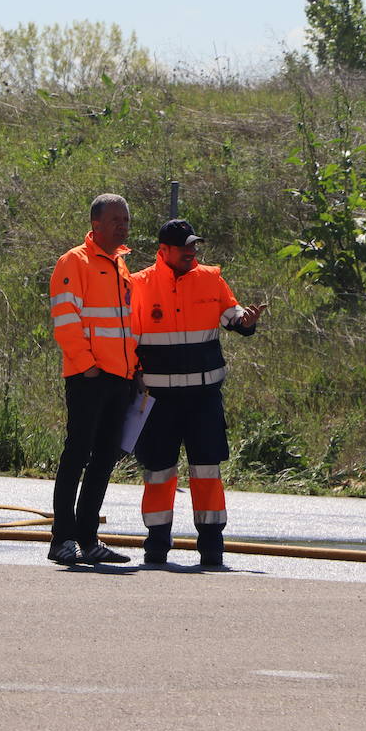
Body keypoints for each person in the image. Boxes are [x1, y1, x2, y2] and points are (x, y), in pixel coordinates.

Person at [131, 219, 264, 568]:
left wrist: (245, 321)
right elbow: (127, 337)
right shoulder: (139, 285)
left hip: (203, 398)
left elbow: (231, 313)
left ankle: (211, 547)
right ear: (164, 251)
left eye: (194, 246)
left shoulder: (210, 278)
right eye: (184, 246)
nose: (192, 251)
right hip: (158, 402)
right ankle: (157, 545)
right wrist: (133, 375)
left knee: (207, 471)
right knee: (158, 473)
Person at [47, 193, 138, 565]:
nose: (123, 226)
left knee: (103, 460)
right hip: (90, 377)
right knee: (77, 455)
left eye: (126, 221)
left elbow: (126, 324)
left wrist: (133, 369)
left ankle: (88, 538)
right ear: (95, 224)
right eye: (116, 220)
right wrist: (87, 366)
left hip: (120, 377)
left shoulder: (121, 266)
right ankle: (61, 539)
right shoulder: (74, 262)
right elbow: (66, 320)